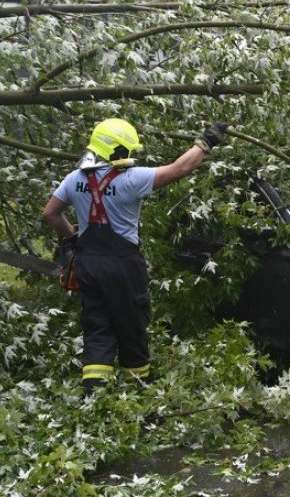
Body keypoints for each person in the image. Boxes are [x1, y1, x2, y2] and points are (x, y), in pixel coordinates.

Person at [42, 118, 228, 394]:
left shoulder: (74, 179)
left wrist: (72, 238)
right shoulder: (132, 179)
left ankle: (94, 395)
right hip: (123, 265)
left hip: (88, 263)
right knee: (131, 324)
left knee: (97, 327)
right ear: (117, 150)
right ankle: (137, 388)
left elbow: (50, 213)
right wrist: (205, 142)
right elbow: (180, 168)